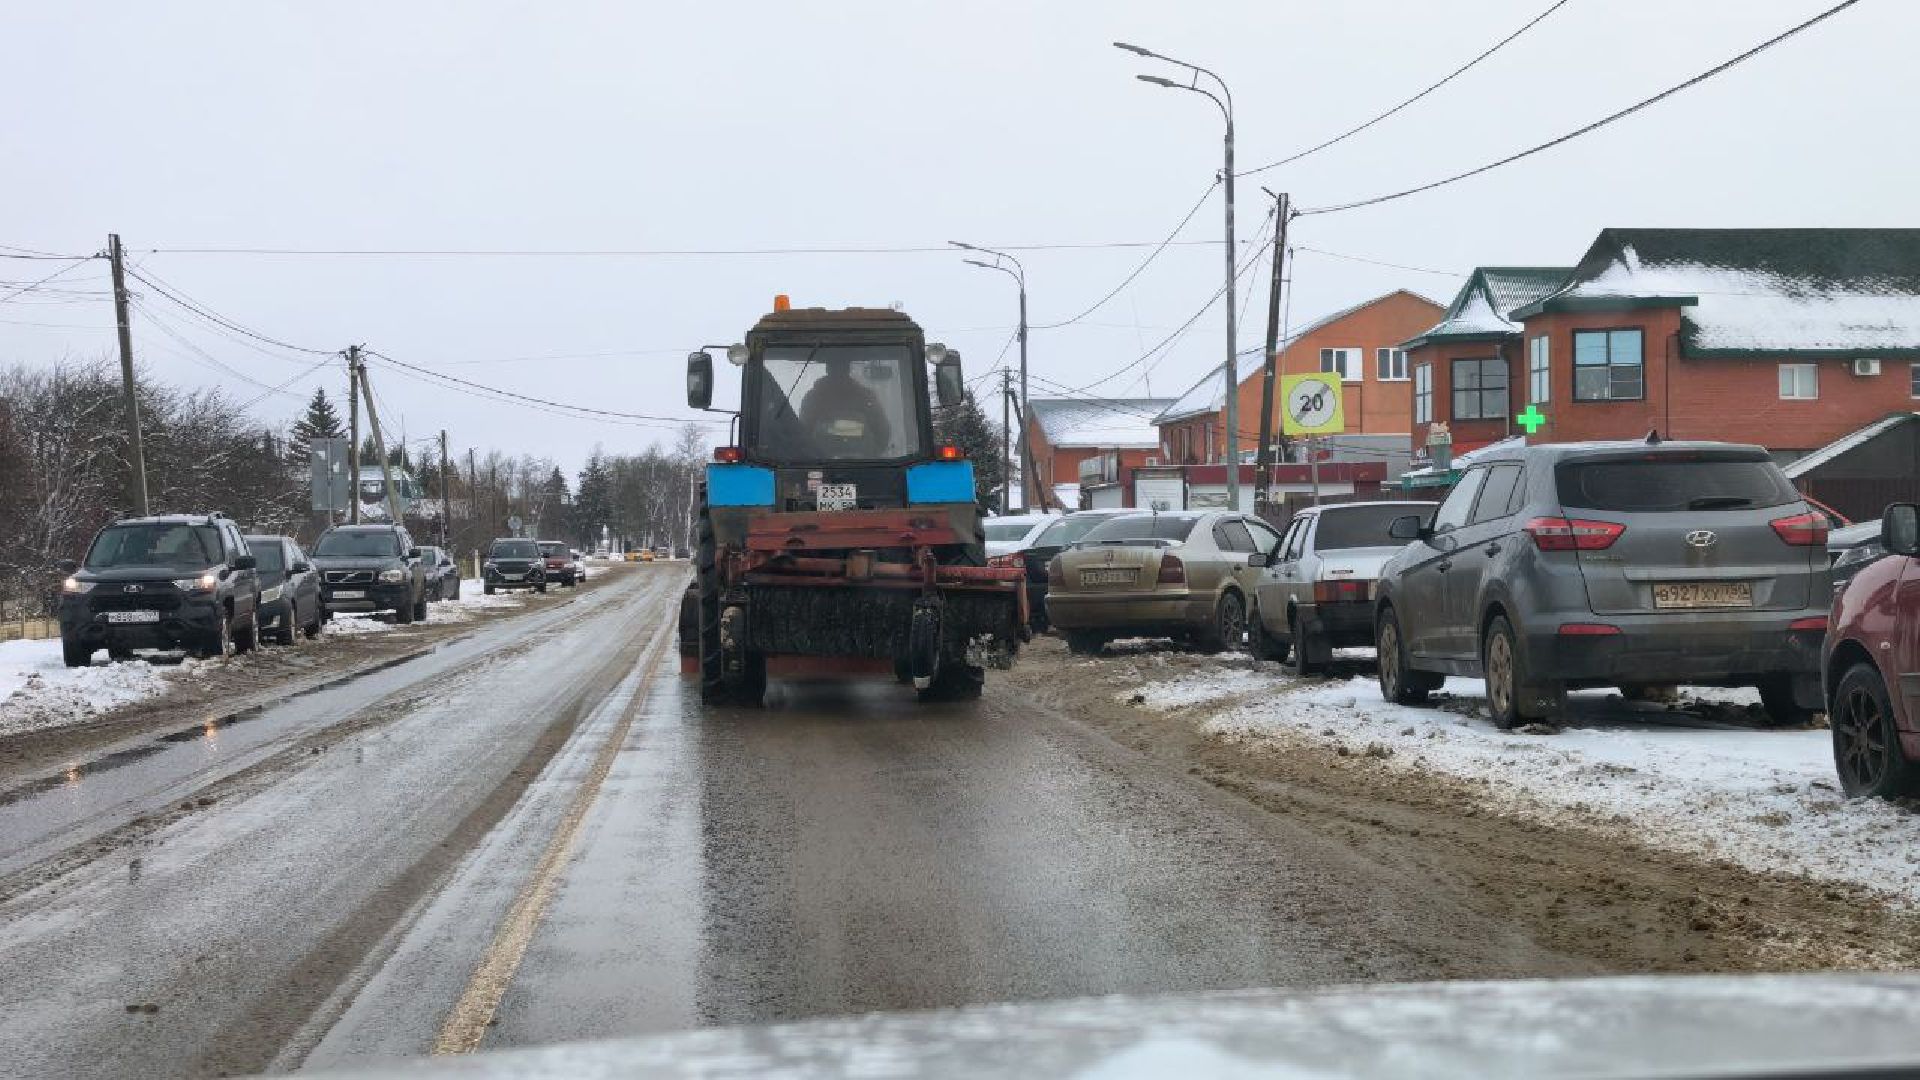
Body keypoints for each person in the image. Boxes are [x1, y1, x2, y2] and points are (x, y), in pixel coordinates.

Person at [797, 356, 891, 454]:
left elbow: (803, 435)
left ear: (828, 369)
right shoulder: (866, 397)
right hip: (863, 466)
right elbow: (882, 434)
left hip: (821, 464)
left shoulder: (813, 398)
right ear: (848, 369)